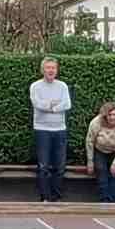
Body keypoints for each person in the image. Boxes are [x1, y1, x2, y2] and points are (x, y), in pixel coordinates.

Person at [27, 57, 72, 199]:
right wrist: (54, 105)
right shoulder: (35, 86)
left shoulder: (62, 86)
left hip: (60, 130)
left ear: (57, 70)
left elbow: (67, 104)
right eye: (48, 67)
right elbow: (37, 104)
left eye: (53, 67)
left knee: (60, 166)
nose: (51, 70)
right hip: (42, 130)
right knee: (43, 166)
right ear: (43, 70)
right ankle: (45, 198)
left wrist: (50, 107)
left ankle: (56, 198)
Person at [86, 97, 115, 205]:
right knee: (101, 170)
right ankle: (104, 200)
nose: (112, 117)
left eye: (114, 115)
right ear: (105, 115)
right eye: (109, 115)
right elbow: (89, 141)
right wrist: (90, 161)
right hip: (100, 150)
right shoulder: (96, 122)